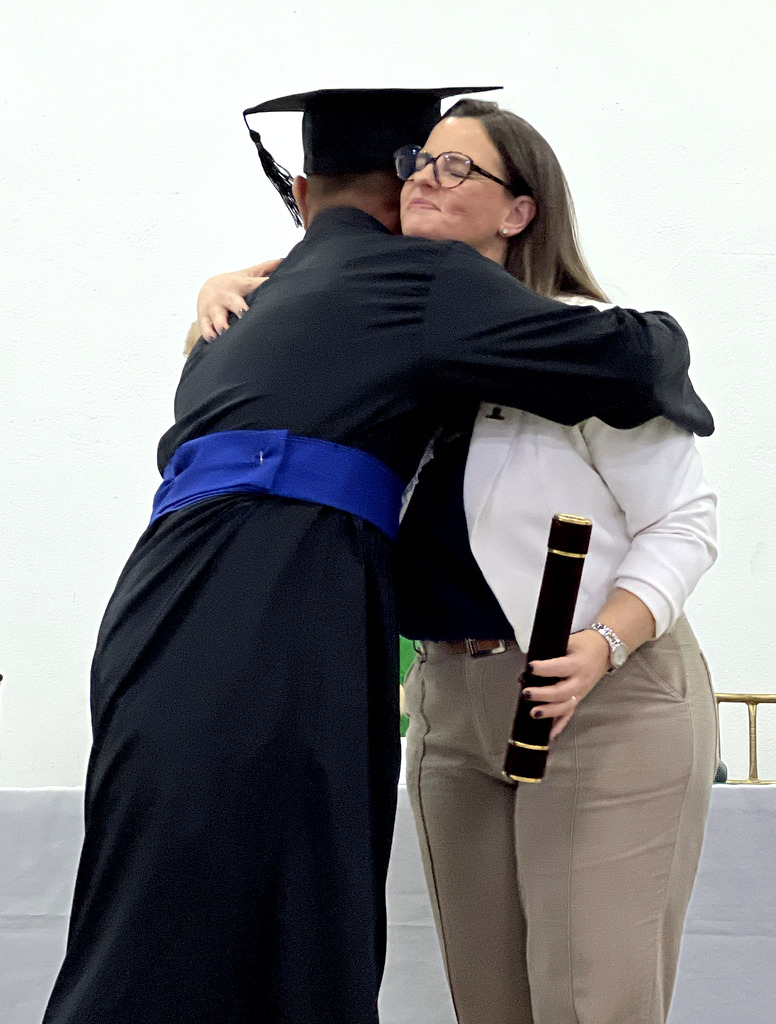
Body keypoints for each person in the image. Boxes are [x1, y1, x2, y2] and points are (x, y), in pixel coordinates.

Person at [43, 88, 713, 1024]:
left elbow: (680, 507)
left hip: (175, 608)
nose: (428, 181)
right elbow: (640, 355)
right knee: (360, 932)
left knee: (172, 887)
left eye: (455, 167)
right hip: (370, 652)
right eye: (418, 163)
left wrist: (605, 638)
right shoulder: (395, 313)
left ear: (520, 209)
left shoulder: (332, 316)